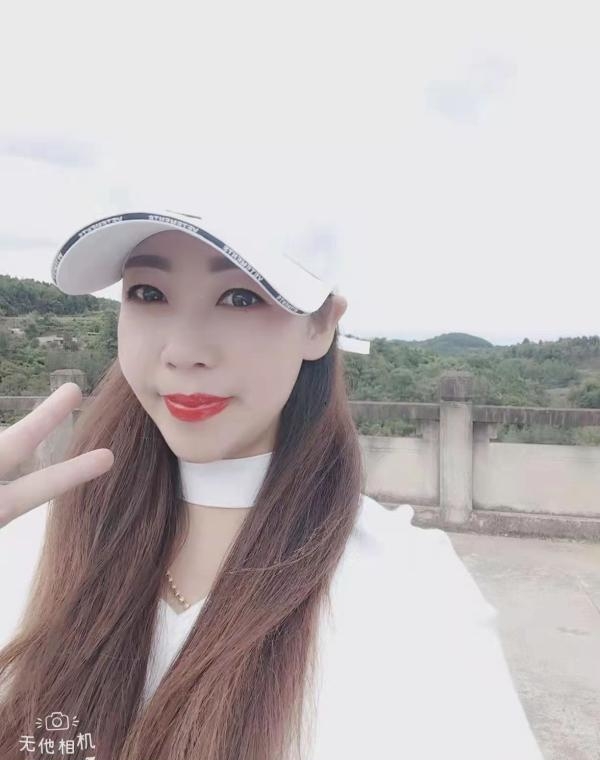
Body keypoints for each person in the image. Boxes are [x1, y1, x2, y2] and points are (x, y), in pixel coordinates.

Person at [0, 209, 545, 759]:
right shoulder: (30, 541)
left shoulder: (413, 597)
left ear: (320, 325)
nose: (183, 351)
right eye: (149, 293)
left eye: (239, 298)